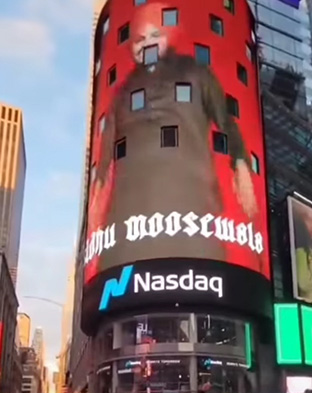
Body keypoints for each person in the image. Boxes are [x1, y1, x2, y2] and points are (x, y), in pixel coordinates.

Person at [84, 0, 262, 280]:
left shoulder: (196, 73)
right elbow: (104, 164)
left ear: (170, 34)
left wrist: (241, 167)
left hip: (193, 216)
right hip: (127, 228)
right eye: (139, 39)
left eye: (155, 35)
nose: (147, 44)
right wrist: (95, 221)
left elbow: (228, 124)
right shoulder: (121, 93)